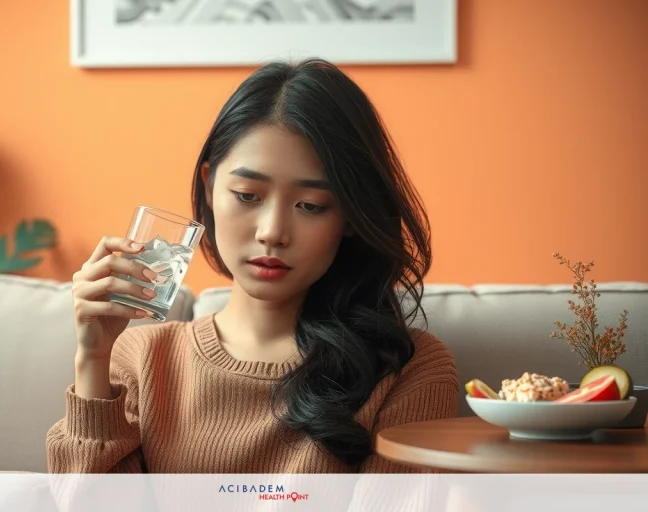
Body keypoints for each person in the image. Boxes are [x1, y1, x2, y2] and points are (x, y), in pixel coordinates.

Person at [46, 57, 458, 476]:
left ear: (351, 215)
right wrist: (93, 358)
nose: (272, 231)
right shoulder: (140, 358)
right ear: (209, 186)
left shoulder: (409, 369)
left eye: (311, 206)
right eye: (247, 195)